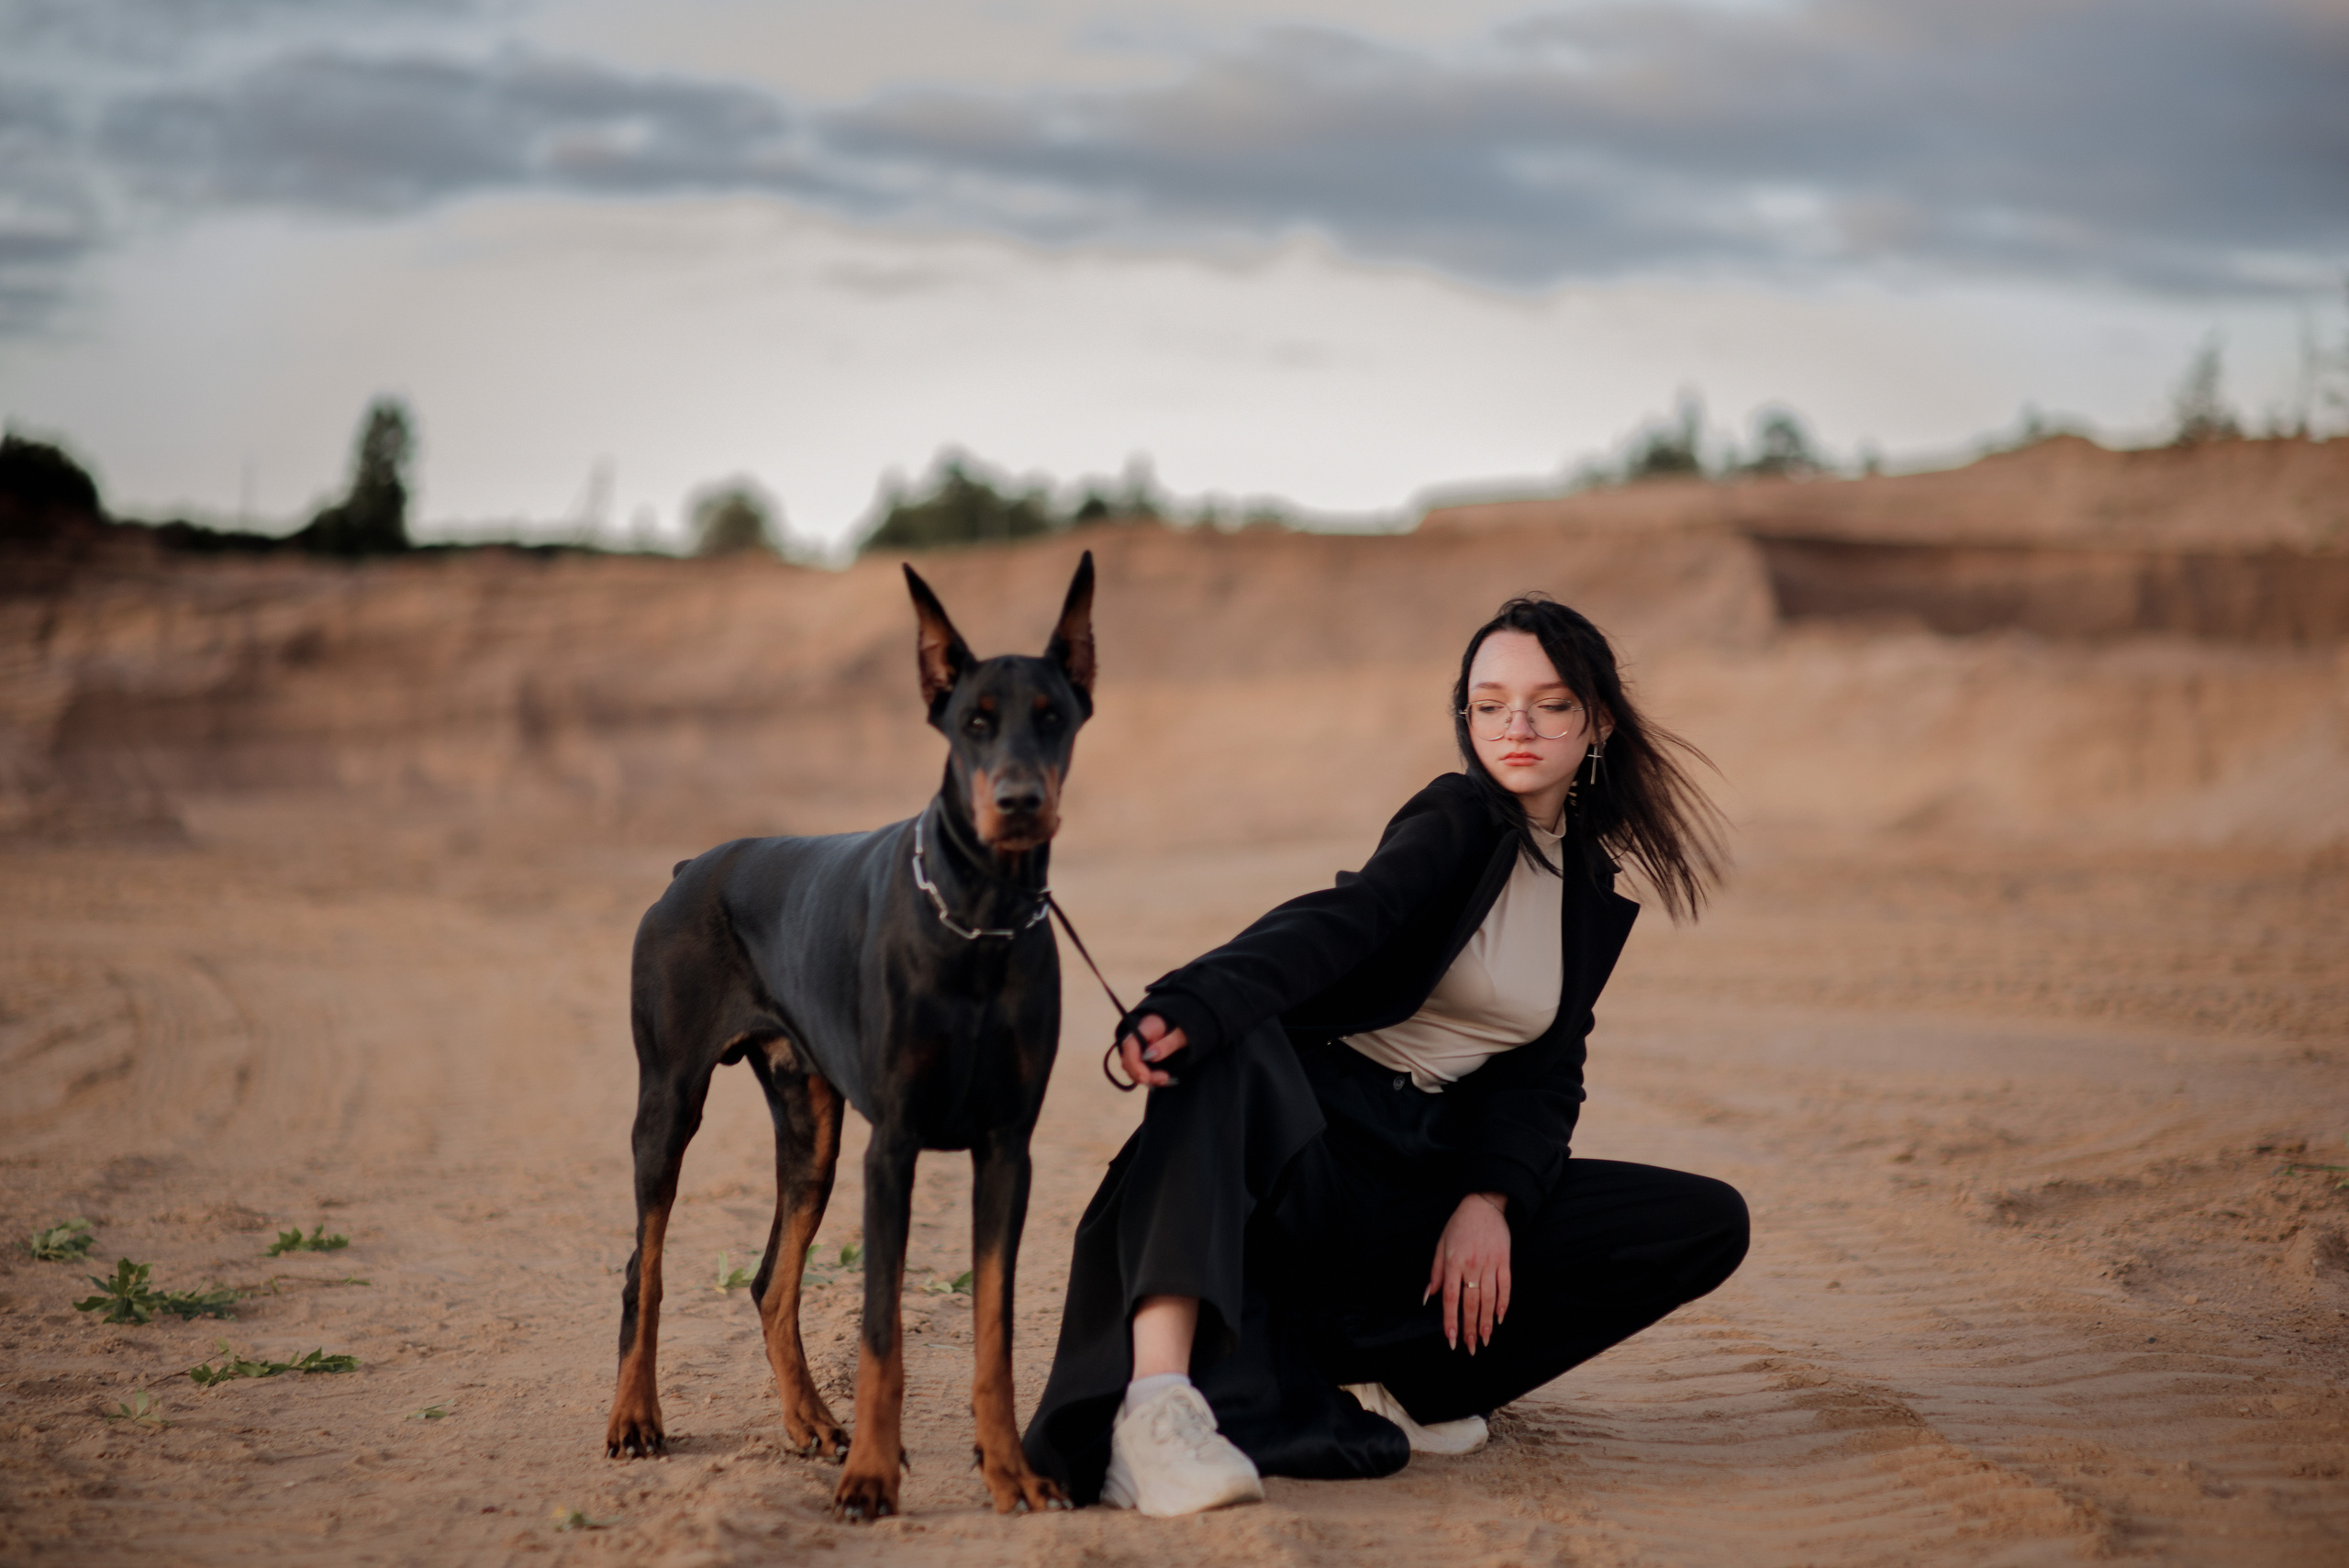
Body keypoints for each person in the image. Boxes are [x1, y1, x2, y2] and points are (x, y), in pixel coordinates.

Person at [1020, 594, 1753, 1516]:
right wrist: (1197, 1000)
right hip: (1318, 1144)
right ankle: (1154, 1408)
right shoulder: (1459, 816)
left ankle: (1412, 1384)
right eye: (1490, 704)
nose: (1516, 726)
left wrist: (1489, 1197)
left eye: (1549, 703)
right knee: (1230, 1044)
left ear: (1597, 719)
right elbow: (1347, 918)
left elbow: (1546, 1068)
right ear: (1466, 716)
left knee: (1703, 1220)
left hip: (1425, 1168)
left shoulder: (1584, 880)